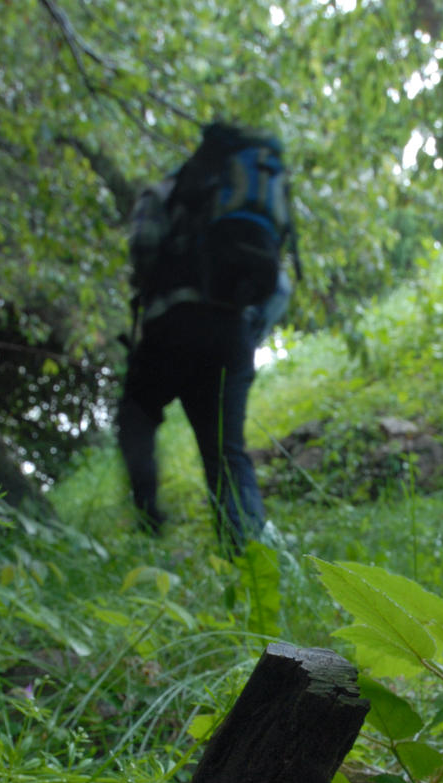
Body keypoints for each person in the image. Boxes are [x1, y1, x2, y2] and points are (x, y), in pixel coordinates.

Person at [116, 125, 294, 553]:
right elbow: (281, 287)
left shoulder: (166, 192)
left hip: (171, 326)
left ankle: (148, 520)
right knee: (227, 453)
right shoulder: (253, 201)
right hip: (231, 334)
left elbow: (142, 249)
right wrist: (246, 333)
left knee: (136, 414)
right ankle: (249, 560)